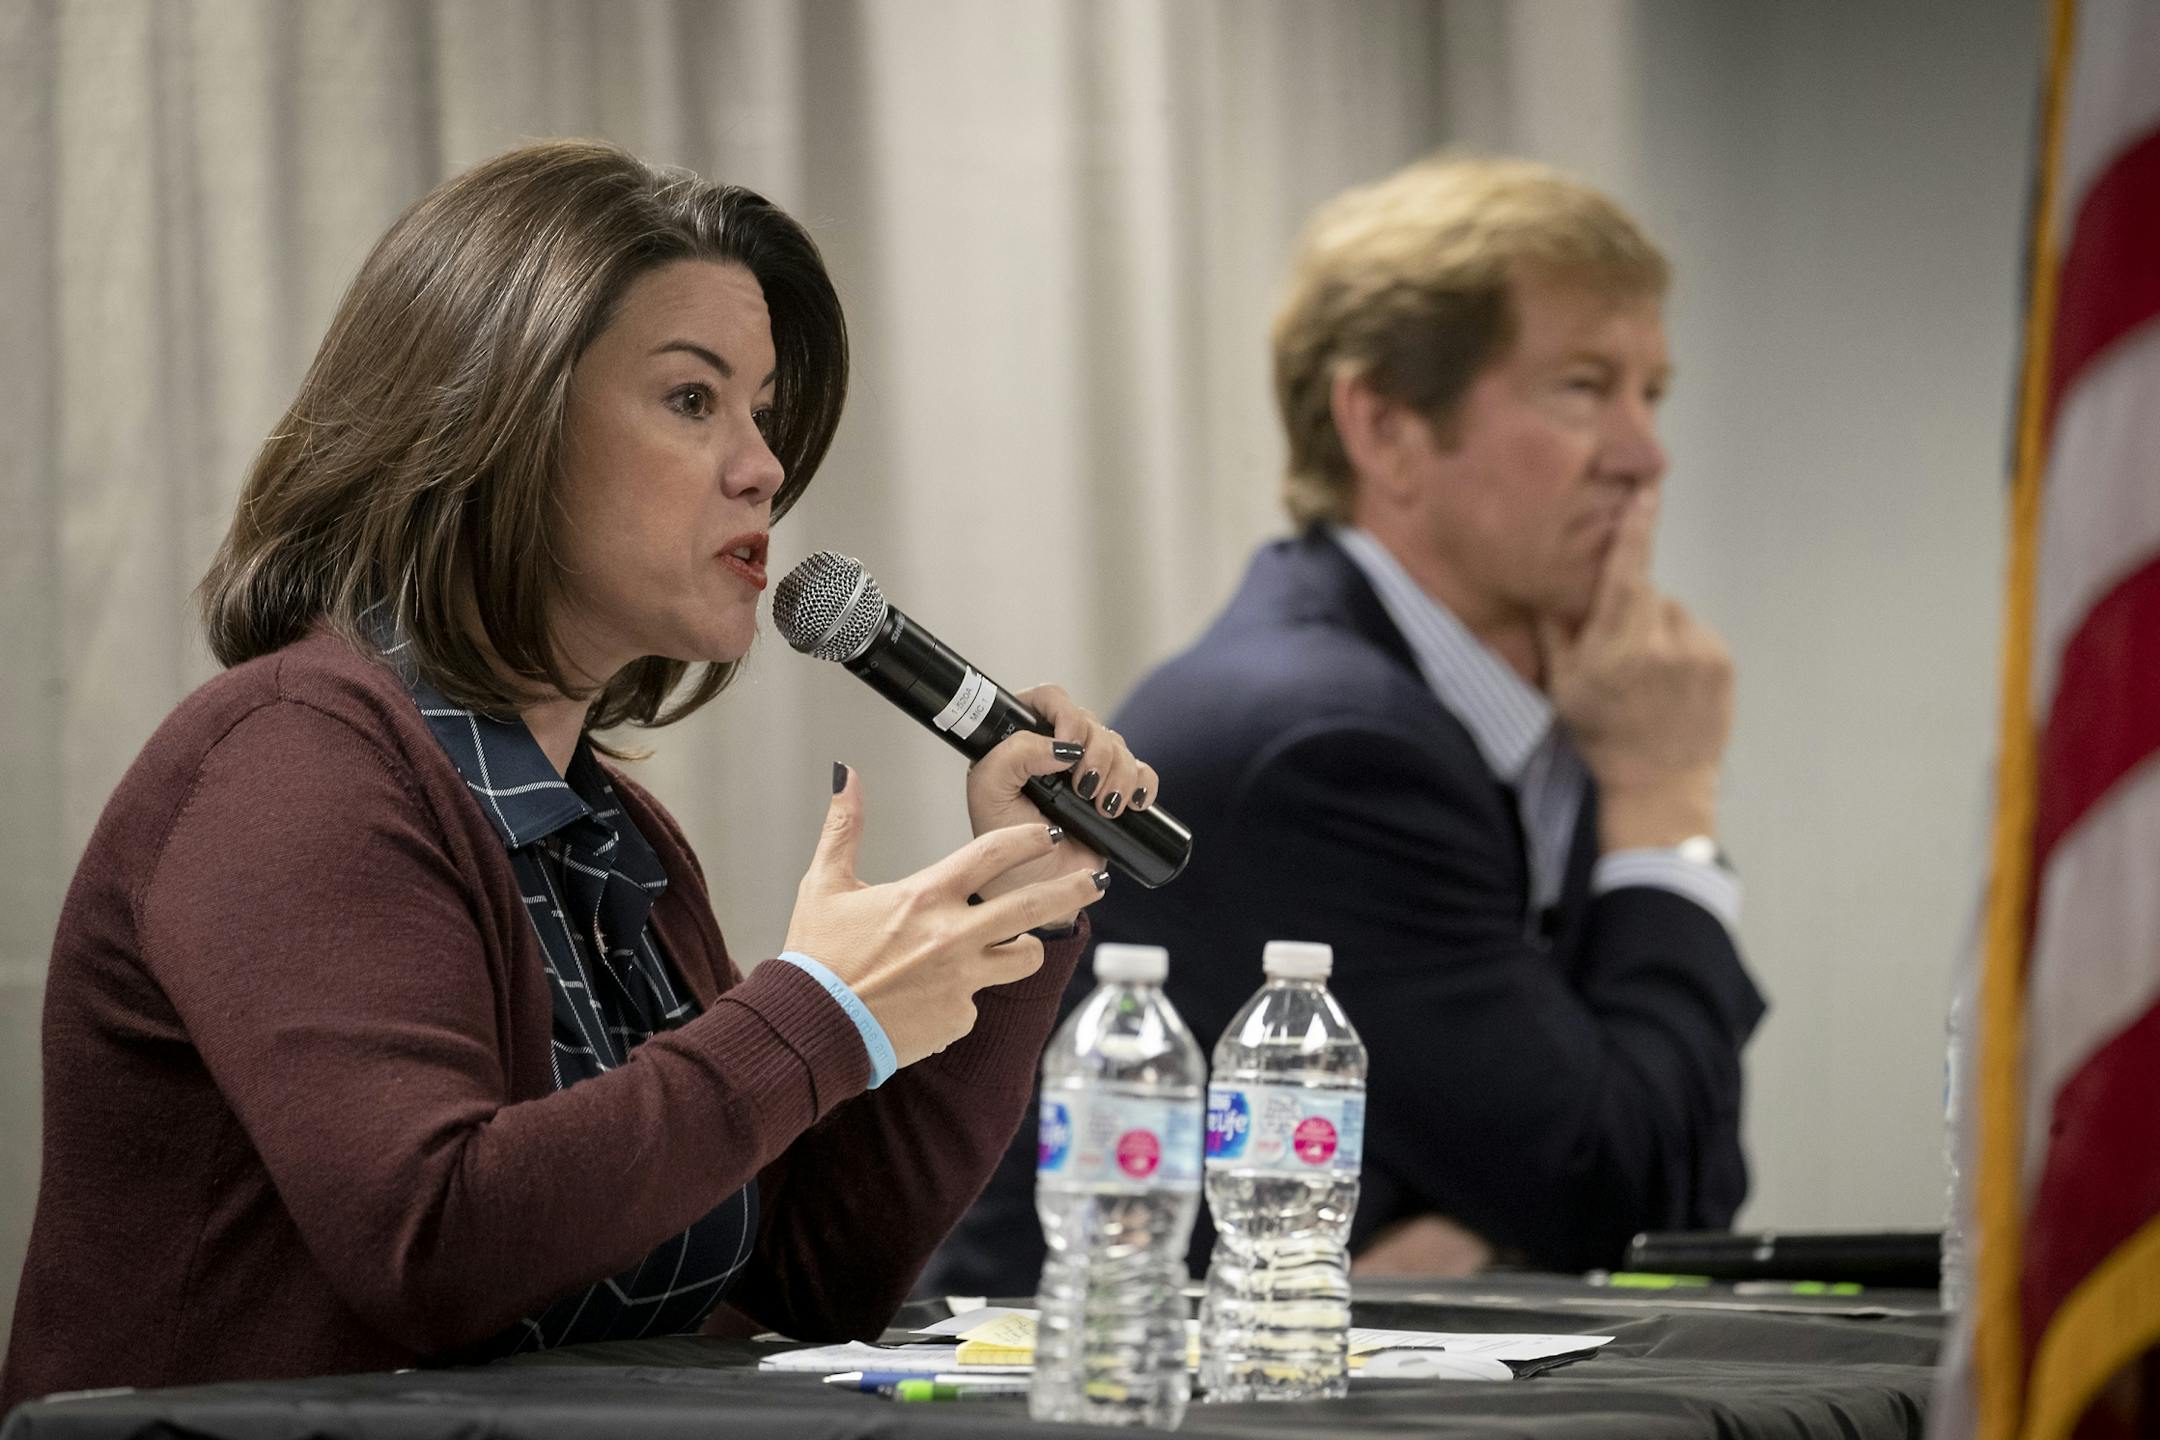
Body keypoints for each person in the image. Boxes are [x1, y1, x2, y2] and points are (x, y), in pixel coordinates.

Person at [0, 139, 1162, 1409]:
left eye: (764, 412)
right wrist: (820, 1009)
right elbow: (433, 1243)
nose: (763, 466)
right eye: (690, 400)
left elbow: (807, 1286)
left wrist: (1013, 915)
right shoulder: (283, 767)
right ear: (497, 420)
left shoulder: (613, 831)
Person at [929, 153, 1766, 1296]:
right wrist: (1669, 803)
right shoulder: (1324, 746)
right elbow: (1623, 1184)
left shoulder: (1551, 702)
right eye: (1582, 386)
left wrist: (1510, 1231)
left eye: (1650, 393)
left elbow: (1679, 1184)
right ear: (1386, 429)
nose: (1642, 453)